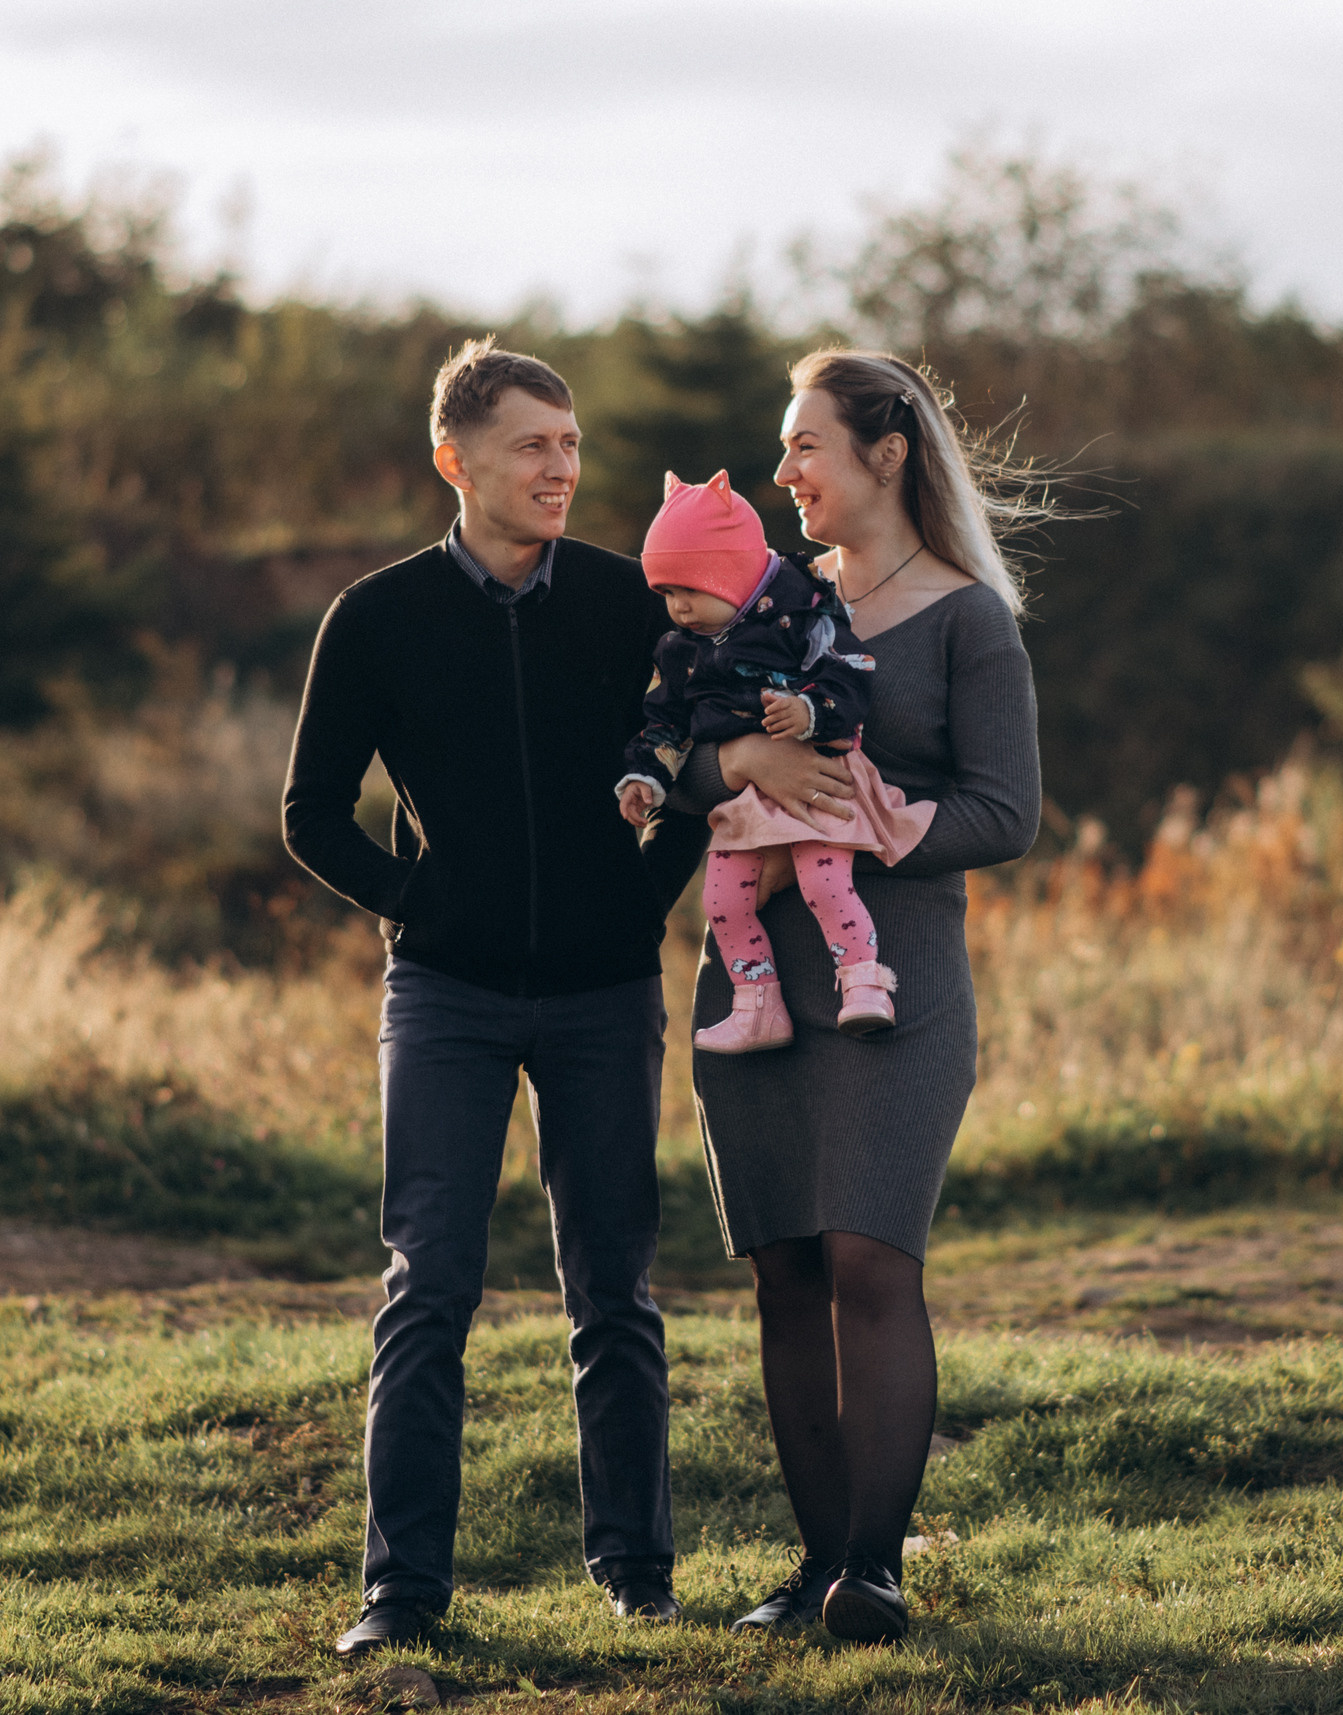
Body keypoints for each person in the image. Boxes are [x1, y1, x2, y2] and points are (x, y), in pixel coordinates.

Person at [281, 338, 708, 1658]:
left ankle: (637, 1573)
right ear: (455, 461)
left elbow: (697, 762)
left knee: (615, 1287)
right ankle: (399, 1592)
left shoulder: (629, 600)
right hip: (449, 996)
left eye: (571, 446)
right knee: (429, 1281)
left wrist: (641, 905)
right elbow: (310, 812)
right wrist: (422, 900)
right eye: (534, 446)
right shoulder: (378, 614)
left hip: (602, 992)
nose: (561, 469)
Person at [662, 350, 1044, 1643]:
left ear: (886, 453)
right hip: (755, 976)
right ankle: (813, 1561)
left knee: (872, 1258)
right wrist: (738, 757)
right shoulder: (759, 601)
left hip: (899, 982)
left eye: (806, 445)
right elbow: (677, 746)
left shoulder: (968, 618)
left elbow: (1010, 808)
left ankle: (873, 1571)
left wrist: (894, 824)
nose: (785, 473)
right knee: (784, 1267)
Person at [614, 469, 934, 1051]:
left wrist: (810, 711)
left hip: (820, 781)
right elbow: (666, 722)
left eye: (689, 588)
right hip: (747, 806)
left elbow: (851, 673)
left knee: (823, 880)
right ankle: (757, 1003)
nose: (678, 607)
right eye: (666, 593)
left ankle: (864, 982)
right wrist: (647, 775)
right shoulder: (680, 649)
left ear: (732, 573)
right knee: (721, 901)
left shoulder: (803, 610)